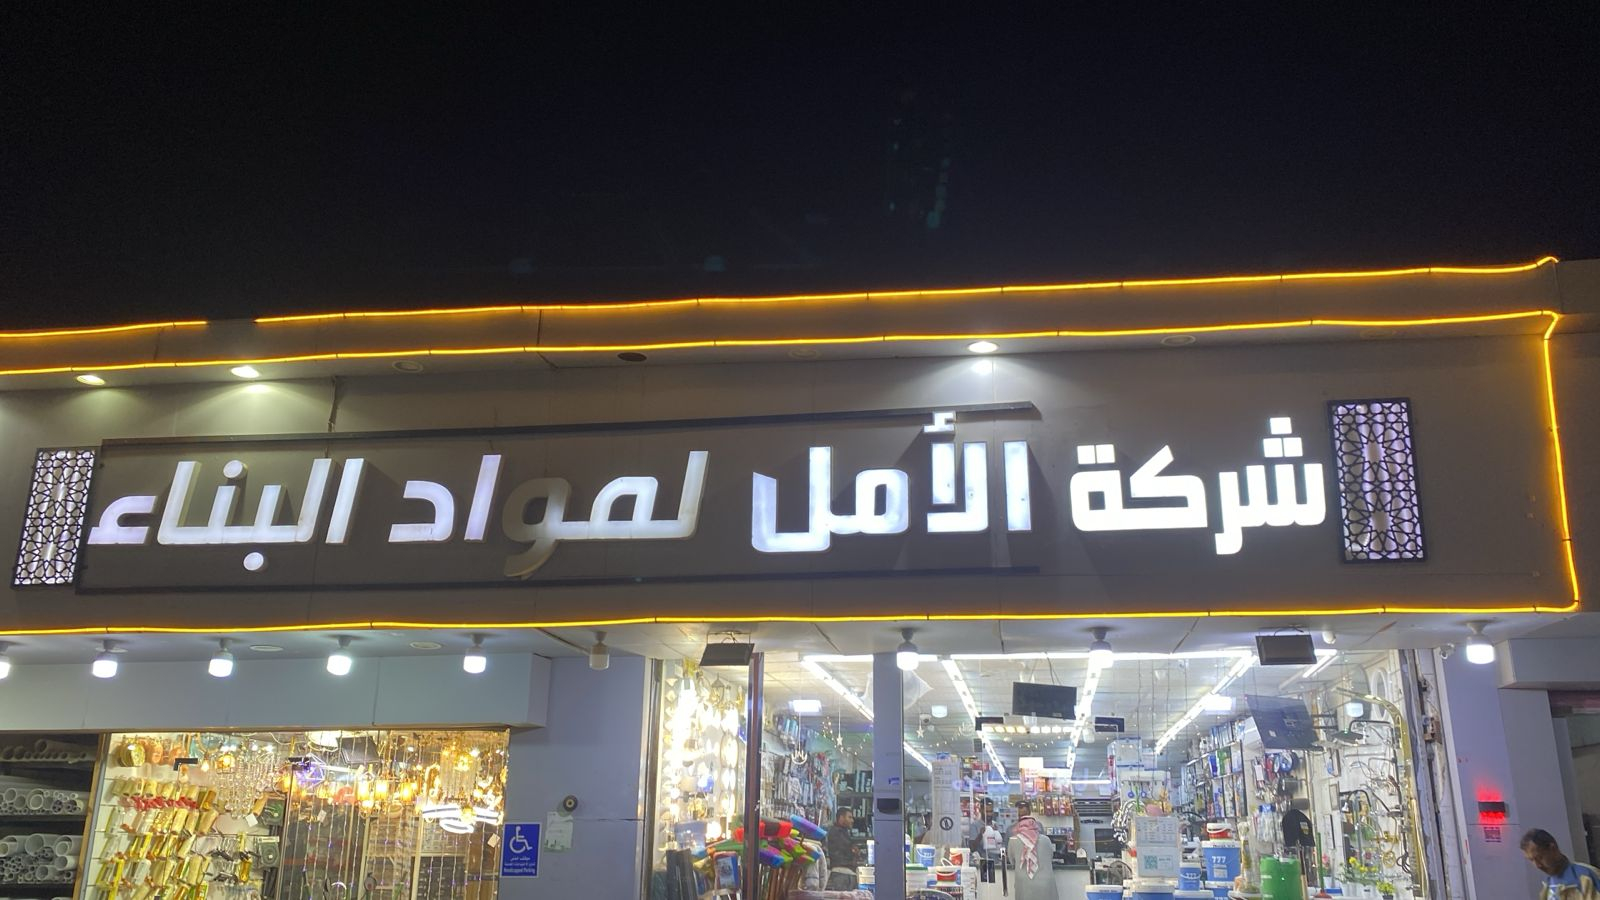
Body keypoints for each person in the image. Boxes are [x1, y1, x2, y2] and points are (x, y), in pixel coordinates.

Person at [1522, 829, 1600, 899]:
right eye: (1531, 860)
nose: (1537, 865)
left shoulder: (1587, 877)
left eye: (1539, 858)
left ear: (1553, 849)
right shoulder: (1547, 886)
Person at [824, 809, 861, 891]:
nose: (852, 820)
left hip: (847, 874)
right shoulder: (836, 832)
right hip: (841, 874)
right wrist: (853, 851)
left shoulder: (843, 832)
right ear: (841, 818)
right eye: (849, 817)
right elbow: (847, 850)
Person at [980, 816, 1004, 883]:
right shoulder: (985, 829)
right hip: (985, 859)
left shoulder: (995, 831)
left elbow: (999, 842)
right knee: (986, 881)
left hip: (995, 858)